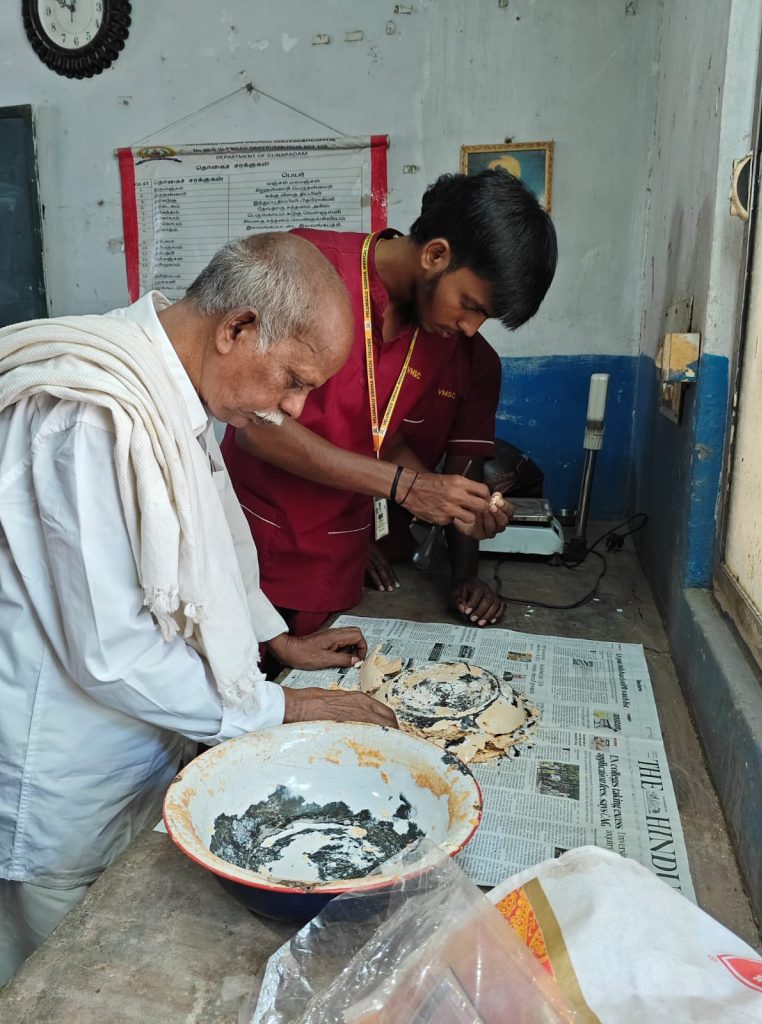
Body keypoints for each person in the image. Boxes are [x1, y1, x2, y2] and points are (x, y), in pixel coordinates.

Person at [0, 232, 398, 986]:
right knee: (59, 979)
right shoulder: (93, 415)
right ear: (238, 328)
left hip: (141, 745)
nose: (294, 407)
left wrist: (274, 641)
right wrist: (278, 708)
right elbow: (111, 652)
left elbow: (213, 542)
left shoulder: (174, 387)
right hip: (67, 771)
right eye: (293, 380)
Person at [222, 170, 557, 635]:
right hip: (254, 548)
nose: (470, 328)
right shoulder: (305, 267)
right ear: (435, 254)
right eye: (471, 305)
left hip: (340, 560)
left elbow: (382, 433)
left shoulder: (438, 333)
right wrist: (405, 487)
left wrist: (454, 505)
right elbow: (255, 428)